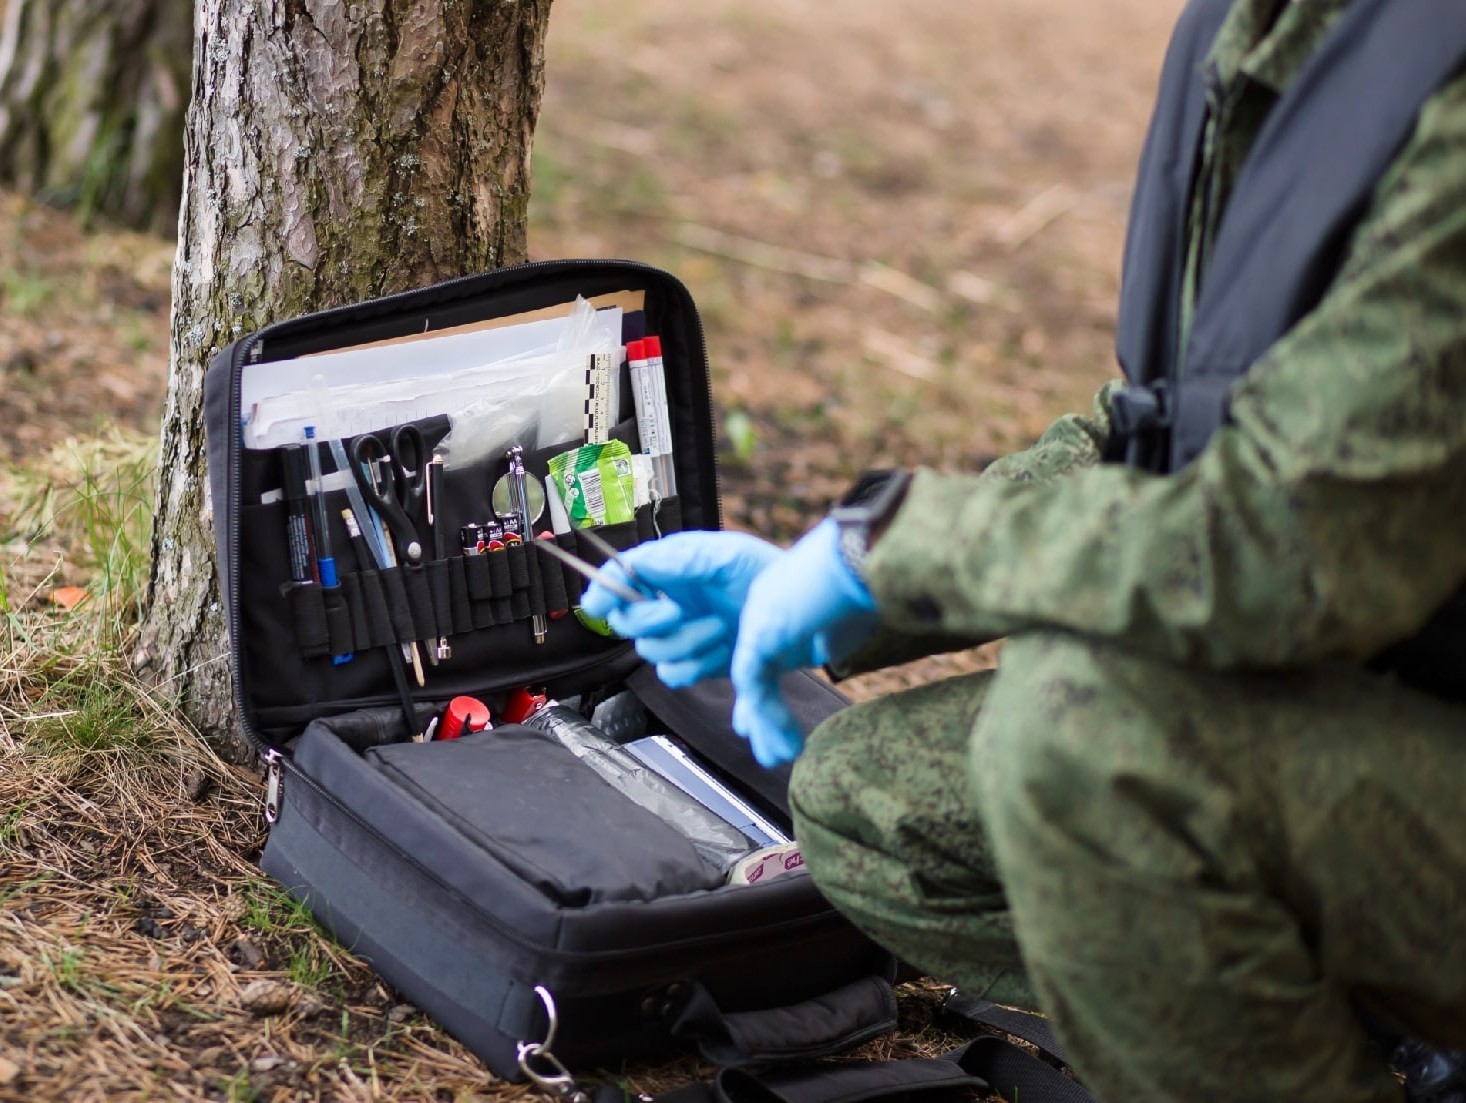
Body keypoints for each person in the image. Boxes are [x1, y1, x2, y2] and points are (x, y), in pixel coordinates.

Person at [581, 0, 1466, 1099]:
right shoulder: (1256, 31)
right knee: (872, 799)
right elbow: (1162, 429)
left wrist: (894, 552)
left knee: (1085, 738)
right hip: (1385, 708)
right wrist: (845, 575)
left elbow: (1279, 543)